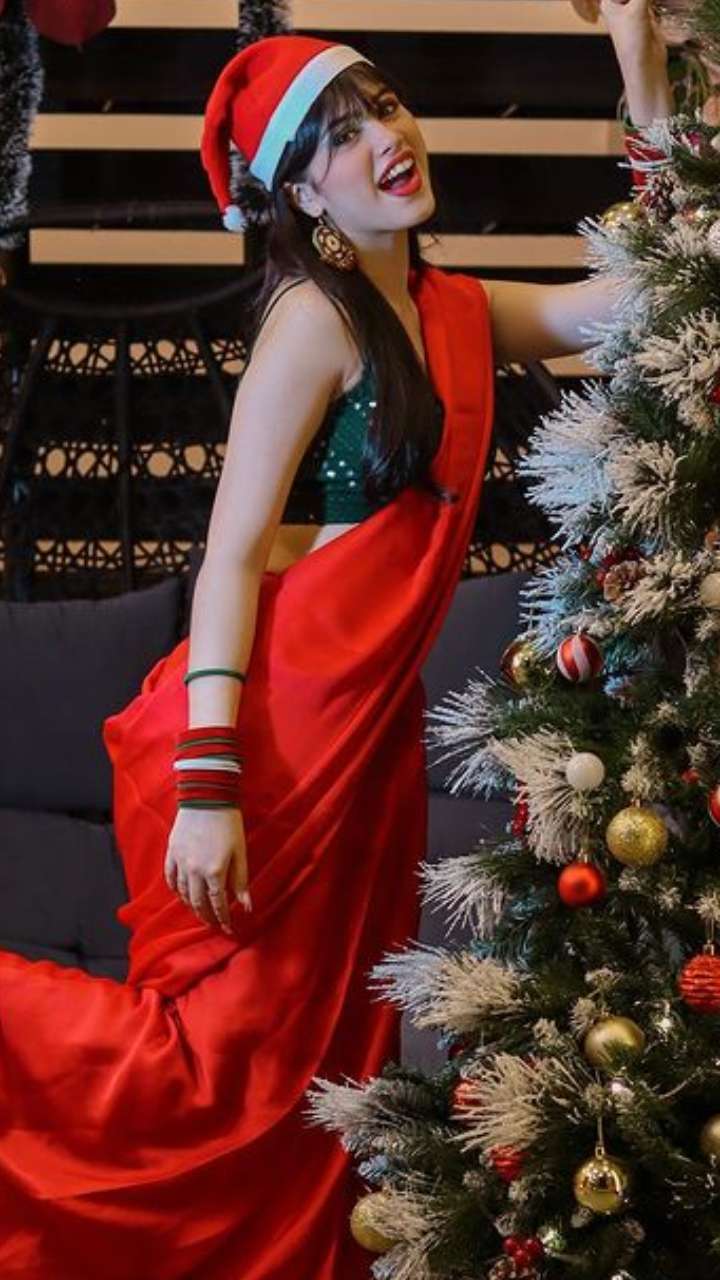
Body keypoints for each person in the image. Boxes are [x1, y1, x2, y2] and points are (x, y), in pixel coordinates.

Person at [0, 13, 675, 1280]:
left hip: (365, 762)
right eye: (342, 134)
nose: (386, 139)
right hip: (258, 751)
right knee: (208, 1079)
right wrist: (208, 783)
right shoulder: (312, 322)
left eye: (386, 107)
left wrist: (642, 77)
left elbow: (637, 299)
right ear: (302, 193)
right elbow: (227, 555)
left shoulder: (451, 310)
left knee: (318, 1100)